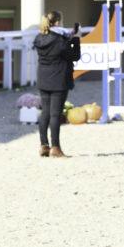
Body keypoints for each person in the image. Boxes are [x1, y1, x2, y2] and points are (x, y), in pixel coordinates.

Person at [33, 11, 82, 159]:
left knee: (45, 113)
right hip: (59, 79)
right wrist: (76, 39)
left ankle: (43, 145)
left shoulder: (39, 37)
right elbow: (74, 56)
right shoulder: (60, 40)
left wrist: (69, 37)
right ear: (58, 22)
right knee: (55, 114)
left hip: (43, 78)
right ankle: (56, 147)